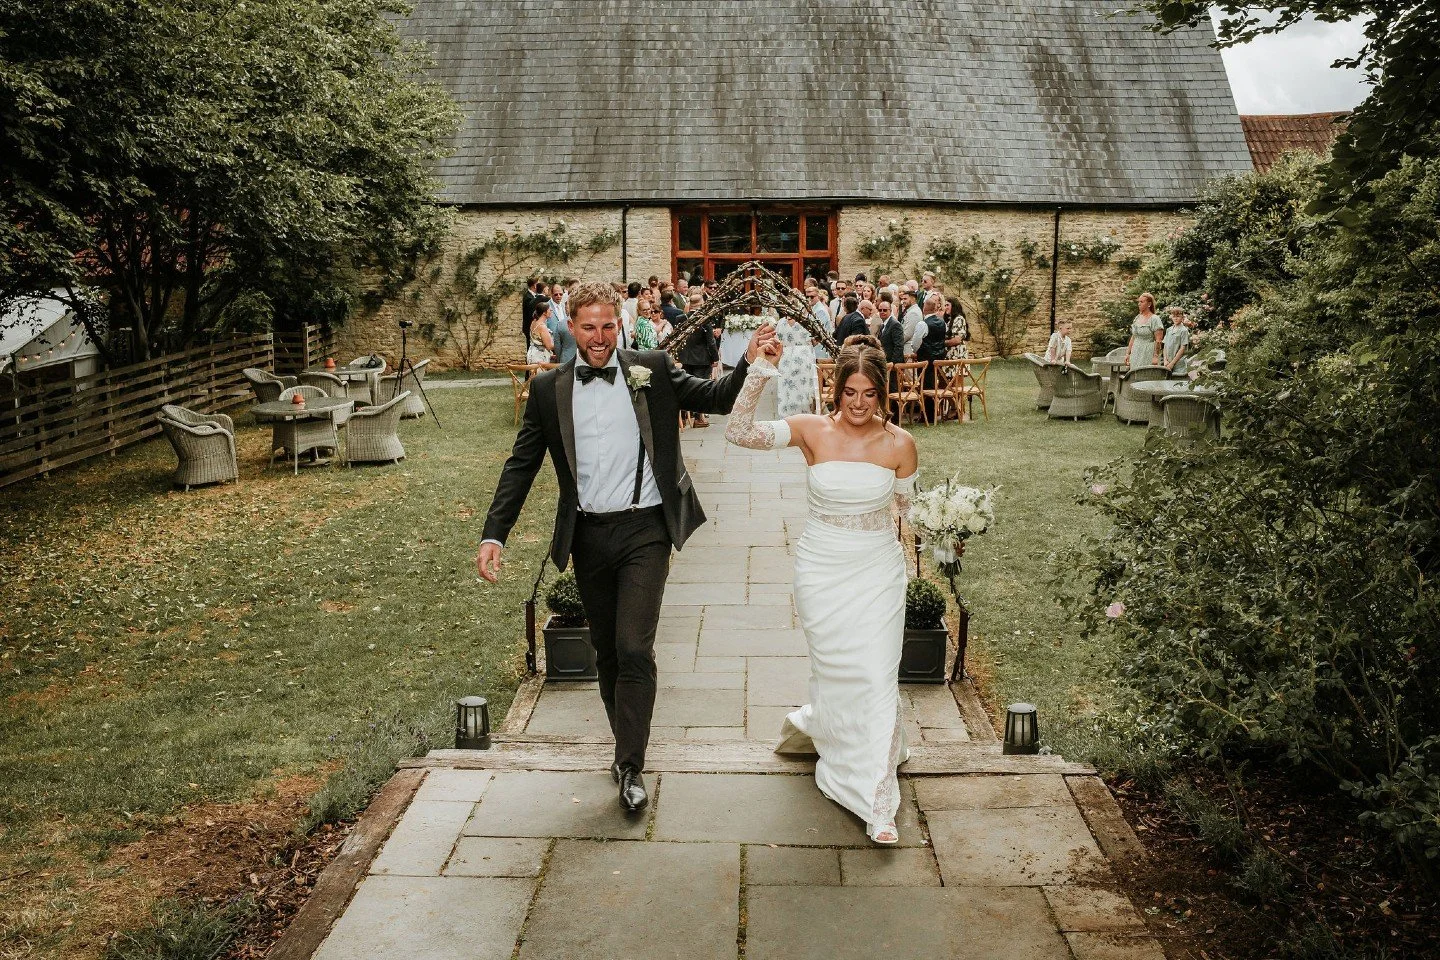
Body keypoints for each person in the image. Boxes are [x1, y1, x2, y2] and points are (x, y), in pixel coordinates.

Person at [478, 281, 774, 812]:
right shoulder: (550, 392)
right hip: (589, 534)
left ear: (622, 324)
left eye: (608, 326)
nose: (598, 337)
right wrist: (494, 533)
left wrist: (747, 362)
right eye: (588, 327)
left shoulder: (652, 369)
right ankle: (625, 747)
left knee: (635, 647)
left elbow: (715, 399)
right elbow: (520, 466)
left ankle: (632, 765)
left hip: (646, 530)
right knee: (609, 653)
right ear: (570, 327)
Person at [724, 333, 918, 845]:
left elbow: (908, 512)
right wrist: (760, 370)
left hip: (878, 571)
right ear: (836, 390)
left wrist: (938, 544)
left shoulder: (900, 445)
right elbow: (738, 432)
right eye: (849, 392)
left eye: (869, 394)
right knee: (839, 676)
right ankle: (835, 735)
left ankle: (877, 801)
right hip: (822, 572)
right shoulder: (811, 430)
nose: (858, 404)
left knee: (876, 675)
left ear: (882, 392)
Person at [676, 293, 722, 427]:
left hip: (684, 358)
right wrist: (715, 358)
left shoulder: (680, 318)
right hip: (701, 359)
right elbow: (710, 343)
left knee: (685, 387)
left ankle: (684, 418)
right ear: (701, 304)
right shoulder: (704, 319)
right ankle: (698, 418)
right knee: (700, 388)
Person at [773, 311, 819, 417]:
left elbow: (776, 340)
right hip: (804, 357)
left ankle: (786, 414)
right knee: (804, 386)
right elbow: (816, 339)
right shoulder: (807, 321)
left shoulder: (780, 323)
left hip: (786, 357)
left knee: (786, 386)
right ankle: (804, 413)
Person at [1125, 293, 1164, 368]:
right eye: (1138, 302)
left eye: (1142, 302)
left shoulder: (1154, 319)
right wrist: (1127, 354)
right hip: (1135, 352)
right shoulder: (1137, 318)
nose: (1139, 304)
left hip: (1148, 352)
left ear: (1149, 304)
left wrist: (1155, 357)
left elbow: (1158, 340)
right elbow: (1133, 337)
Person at [1162, 306, 1191, 373]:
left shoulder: (1184, 330)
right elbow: (1165, 346)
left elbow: (1182, 349)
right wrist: (1165, 360)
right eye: (1174, 316)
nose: (1175, 318)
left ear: (1182, 317)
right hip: (1167, 363)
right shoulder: (1169, 330)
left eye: (1178, 316)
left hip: (1179, 364)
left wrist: (1172, 363)